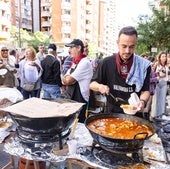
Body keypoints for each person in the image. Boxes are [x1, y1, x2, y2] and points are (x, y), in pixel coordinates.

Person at [90, 26, 151, 118]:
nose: (127, 51)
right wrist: (99, 87)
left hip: (135, 113)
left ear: (136, 44)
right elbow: (92, 84)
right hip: (111, 113)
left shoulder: (143, 65)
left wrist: (142, 102)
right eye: (124, 46)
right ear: (117, 43)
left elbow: (146, 90)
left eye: (131, 47)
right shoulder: (106, 62)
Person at [62, 39, 93, 123]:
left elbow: (68, 80)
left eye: (71, 47)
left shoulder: (84, 63)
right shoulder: (75, 62)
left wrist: (69, 79)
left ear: (79, 48)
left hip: (80, 100)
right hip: (71, 99)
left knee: (78, 125)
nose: (69, 50)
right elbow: (64, 79)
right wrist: (68, 79)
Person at [150, 51, 168, 120]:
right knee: (156, 99)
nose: (164, 58)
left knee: (162, 99)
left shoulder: (166, 66)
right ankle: (154, 115)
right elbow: (152, 74)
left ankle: (161, 114)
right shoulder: (156, 65)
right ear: (159, 58)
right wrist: (159, 75)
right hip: (157, 83)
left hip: (164, 83)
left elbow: (166, 74)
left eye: (165, 56)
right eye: (163, 56)